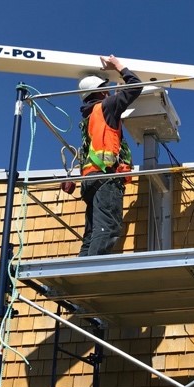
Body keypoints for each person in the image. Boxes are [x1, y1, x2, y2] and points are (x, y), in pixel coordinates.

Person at [77, 55, 142, 256]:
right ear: (101, 91)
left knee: (92, 233)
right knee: (107, 229)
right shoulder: (106, 107)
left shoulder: (90, 116)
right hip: (105, 177)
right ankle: (90, 275)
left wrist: (115, 97)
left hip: (90, 180)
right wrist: (118, 66)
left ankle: (80, 272)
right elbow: (135, 86)